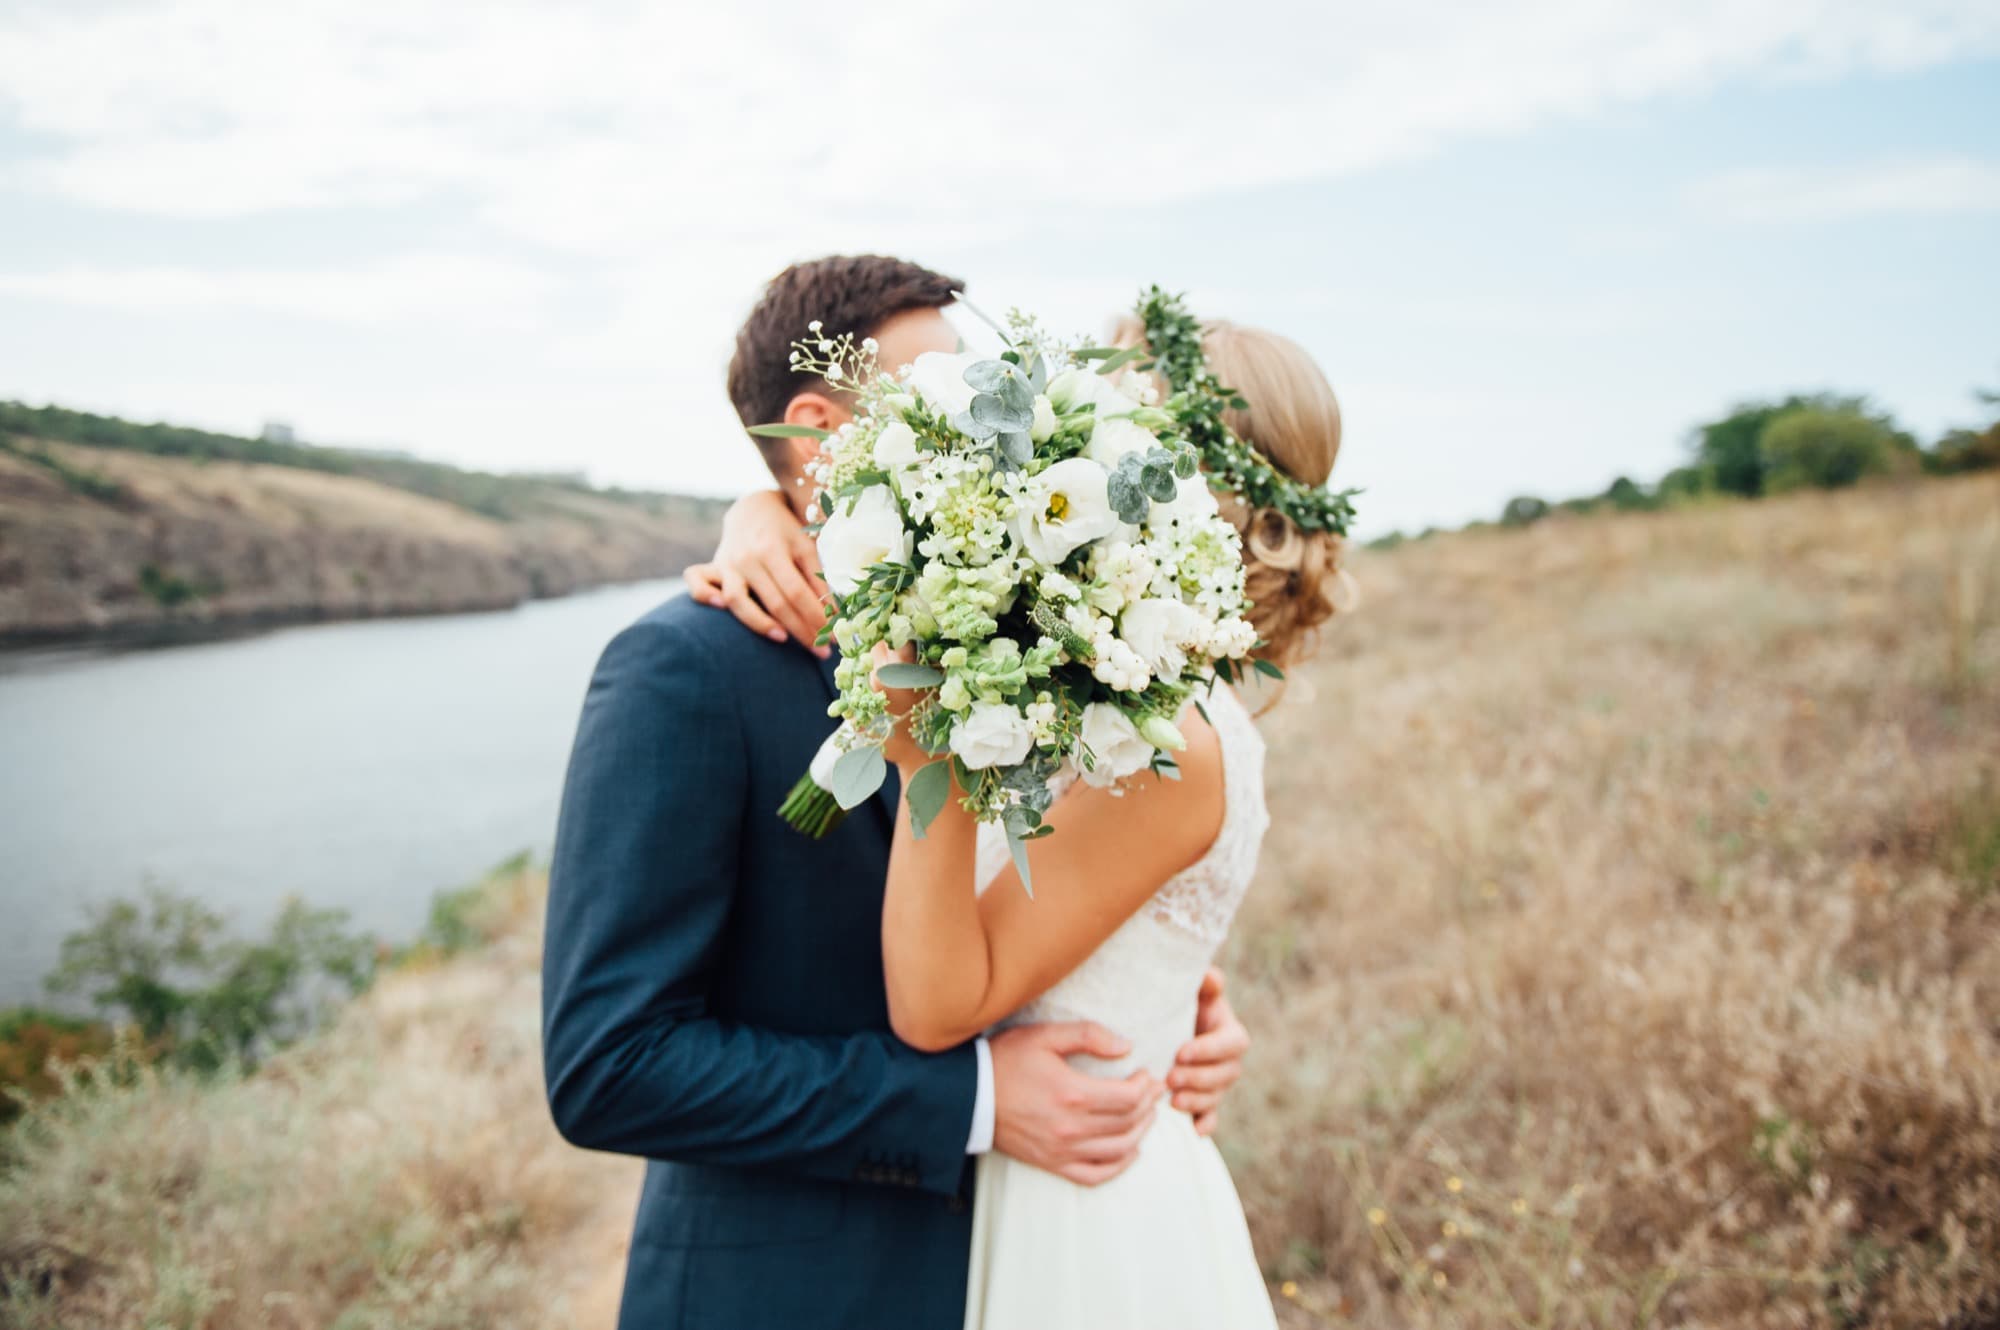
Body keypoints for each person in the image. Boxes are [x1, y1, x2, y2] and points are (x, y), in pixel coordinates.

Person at [540, 255, 1254, 1330]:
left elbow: (1074, 884)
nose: (989, 417)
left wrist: (1177, 1008)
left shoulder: (1028, 632)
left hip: (1029, 1263)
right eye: (942, 393)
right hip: (793, 1297)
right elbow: (610, 1065)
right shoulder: (683, 669)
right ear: (822, 430)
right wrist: (970, 1103)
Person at [688, 301, 1350, 1327]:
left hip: (1084, 1210)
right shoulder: (1109, 686)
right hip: (1028, 1172)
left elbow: (939, 1007)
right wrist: (765, 508)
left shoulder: (1171, 736)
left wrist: (926, 759)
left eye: (1104, 427)